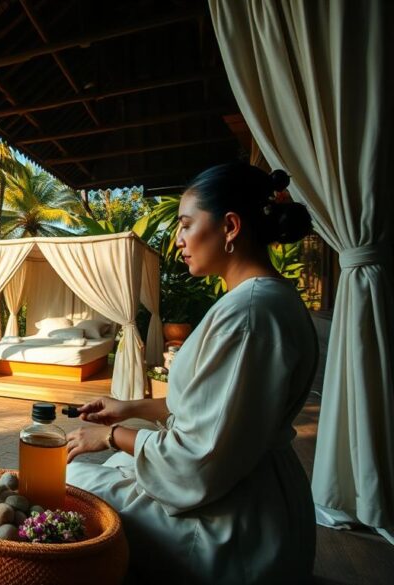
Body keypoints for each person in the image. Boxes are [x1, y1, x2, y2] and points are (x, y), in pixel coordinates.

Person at [65, 162, 318, 584]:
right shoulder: (263, 301)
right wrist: (128, 408)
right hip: (251, 490)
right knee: (107, 468)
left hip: (233, 522)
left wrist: (111, 436)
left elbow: (196, 461)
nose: (179, 240)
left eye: (186, 225)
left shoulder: (248, 316)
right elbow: (216, 410)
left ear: (230, 226)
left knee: (71, 481)